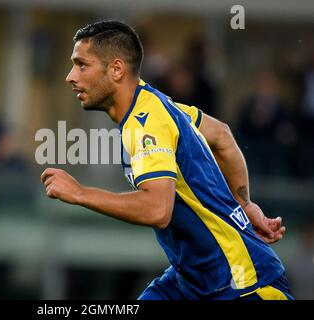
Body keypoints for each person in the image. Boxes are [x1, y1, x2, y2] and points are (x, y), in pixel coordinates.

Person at [40, 20, 291, 300]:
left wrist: (79, 193)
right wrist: (243, 203)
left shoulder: (146, 122)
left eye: (81, 64)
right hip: (192, 280)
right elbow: (222, 136)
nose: (71, 76)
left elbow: (157, 209)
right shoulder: (156, 103)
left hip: (243, 283)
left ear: (116, 70)